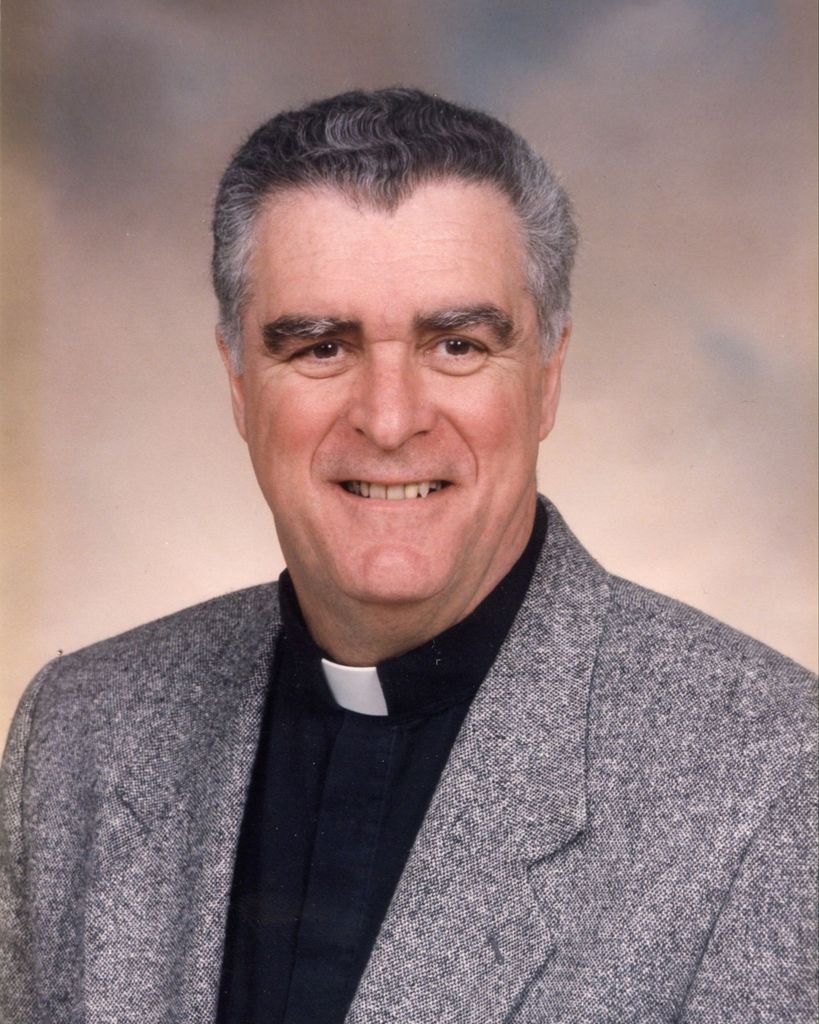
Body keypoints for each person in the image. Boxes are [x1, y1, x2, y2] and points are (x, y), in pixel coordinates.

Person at [1, 88, 816, 1024]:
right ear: (239, 384)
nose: (389, 420)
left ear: (546, 378)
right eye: (320, 347)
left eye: (456, 344)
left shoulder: (773, 779)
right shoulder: (82, 732)